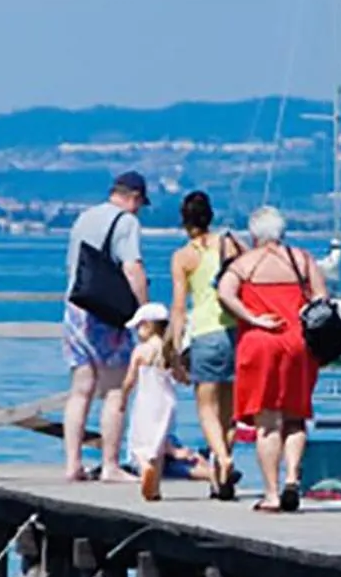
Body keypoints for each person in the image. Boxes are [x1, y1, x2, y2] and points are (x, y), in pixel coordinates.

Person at [218, 206, 328, 512]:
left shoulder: (245, 264)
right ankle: (292, 478)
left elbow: (225, 294)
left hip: (260, 343)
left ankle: (271, 492)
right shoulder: (303, 260)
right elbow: (321, 299)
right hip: (298, 342)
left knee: (267, 422)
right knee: (295, 417)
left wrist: (253, 317)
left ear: (254, 234)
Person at [61, 170, 150, 482]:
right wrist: (144, 310)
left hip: (76, 310)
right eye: (139, 202)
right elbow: (132, 267)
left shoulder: (84, 217)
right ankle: (110, 464)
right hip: (107, 314)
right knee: (115, 390)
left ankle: (72, 463)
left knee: (80, 390)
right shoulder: (127, 223)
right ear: (134, 197)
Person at [168, 189, 242, 501]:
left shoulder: (183, 256)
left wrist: (172, 350)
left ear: (184, 222)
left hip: (206, 334)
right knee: (229, 411)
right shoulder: (231, 244)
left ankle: (222, 459)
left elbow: (179, 309)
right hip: (236, 332)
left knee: (206, 408)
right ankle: (220, 479)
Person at [124, 301, 179, 501]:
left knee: (138, 443)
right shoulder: (169, 350)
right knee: (158, 445)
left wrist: (122, 398)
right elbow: (182, 376)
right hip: (167, 402)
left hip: (146, 401)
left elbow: (130, 380)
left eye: (138, 327)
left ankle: (144, 467)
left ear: (147, 325)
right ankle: (154, 489)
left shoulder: (141, 350)